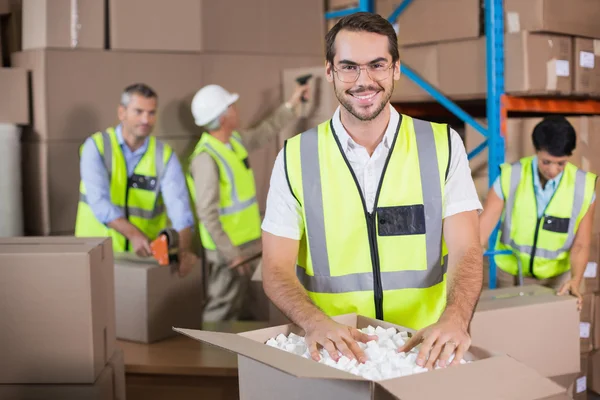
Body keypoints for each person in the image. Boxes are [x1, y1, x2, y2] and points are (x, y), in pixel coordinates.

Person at [260, 12, 483, 370]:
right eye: (349, 67)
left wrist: (456, 317)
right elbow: (275, 266)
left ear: (396, 68)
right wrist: (315, 322)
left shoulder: (442, 145)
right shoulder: (296, 157)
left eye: (377, 65)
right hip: (335, 352)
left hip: (423, 347)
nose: (364, 81)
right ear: (329, 71)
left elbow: (467, 249)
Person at [187, 82, 309, 322]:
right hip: (229, 252)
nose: (236, 110)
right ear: (223, 117)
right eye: (231, 106)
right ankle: (209, 355)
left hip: (249, 245)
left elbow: (264, 131)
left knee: (253, 308)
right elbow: (207, 214)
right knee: (222, 309)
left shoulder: (233, 142)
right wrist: (232, 255)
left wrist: (292, 104)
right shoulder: (206, 158)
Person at [75, 83, 198, 276]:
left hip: (141, 260)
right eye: (139, 111)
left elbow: (180, 209)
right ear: (122, 112)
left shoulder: (164, 156)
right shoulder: (97, 147)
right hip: (96, 253)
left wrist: (183, 249)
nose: (146, 119)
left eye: (151, 113)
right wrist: (133, 234)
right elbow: (99, 203)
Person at [479, 116, 597, 310]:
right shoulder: (511, 176)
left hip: (556, 278)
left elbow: (581, 244)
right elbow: (481, 231)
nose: (553, 170)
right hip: (510, 272)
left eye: (561, 164)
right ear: (536, 151)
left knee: (546, 333)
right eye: (546, 162)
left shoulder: (583, 187)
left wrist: (576, 280)